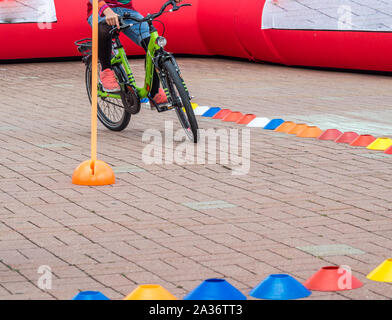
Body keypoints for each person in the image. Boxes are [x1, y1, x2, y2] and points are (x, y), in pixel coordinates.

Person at [87, 0, 182, 104]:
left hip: (127, 11)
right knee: (103, 27)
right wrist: (107, 11)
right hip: (100, 11)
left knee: (152, 44)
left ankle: (154, 92)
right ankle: (106, 70)